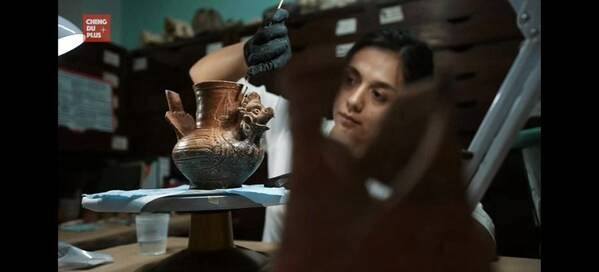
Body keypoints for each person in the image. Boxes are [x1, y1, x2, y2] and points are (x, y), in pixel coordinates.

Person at [189, 8, 496, 263]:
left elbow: (483, 240)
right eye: (351, 80)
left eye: (378, 94)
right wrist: (248, 51)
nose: (353, 100)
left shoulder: (410, 171)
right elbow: (203, 77)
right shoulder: (294, 127)